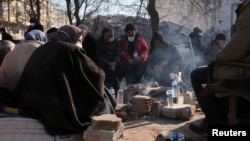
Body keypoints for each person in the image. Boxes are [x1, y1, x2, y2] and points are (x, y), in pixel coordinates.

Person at [4, 24, 116, 135]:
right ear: (73, 38)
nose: (81, 44)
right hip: (60, 108)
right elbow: (97, 76)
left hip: (30, 103)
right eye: (80, 40)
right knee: (103, 96)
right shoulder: (71, 50)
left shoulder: (42, 48)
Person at [189, 0, 250, 134]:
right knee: (207, 72)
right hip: (241, 65)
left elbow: (237, 49)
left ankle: (214, 121)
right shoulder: (244, 9)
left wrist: (219, 57)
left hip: (244, 71)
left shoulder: (248, 11)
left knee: (196, 76)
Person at [96, 27, 120, 91]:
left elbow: (118, 54)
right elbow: (98, 56)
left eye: (112, 35)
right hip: (103, 62)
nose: (111, 37)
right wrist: (107, 63)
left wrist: (114, 62)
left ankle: (115, 87)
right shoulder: (97, 42)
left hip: (114, 62)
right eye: (109, 35)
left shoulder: (116, 42)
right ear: (104, 34)